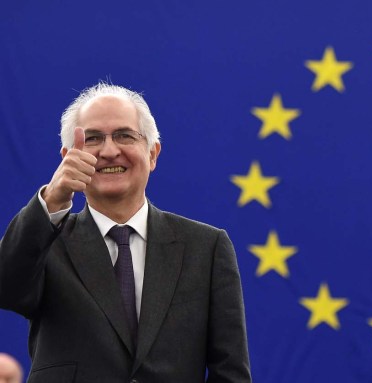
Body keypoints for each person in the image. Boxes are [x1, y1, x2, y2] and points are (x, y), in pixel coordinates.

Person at [0, 83, 251, 382]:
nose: (109, 151)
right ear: (68, 157)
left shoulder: (207, 248)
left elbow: (230, 372)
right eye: (92, 138)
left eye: (124, 135)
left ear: (153, 154)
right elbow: (6, 288)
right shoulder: (45, 240)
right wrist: (53, 197)